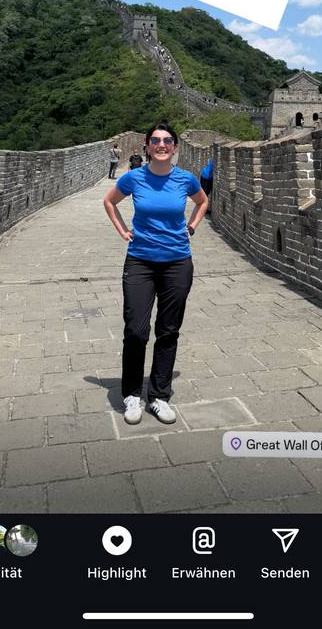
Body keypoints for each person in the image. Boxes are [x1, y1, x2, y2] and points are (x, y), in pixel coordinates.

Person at [103, 122, 208, 425]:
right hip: (140, 262)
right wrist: (123, 230)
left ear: (175, 147)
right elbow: (109, 201)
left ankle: (159, 395)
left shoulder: (185, 179)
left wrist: (191, 227)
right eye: (156, 140)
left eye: (167, 141)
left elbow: (202, 202)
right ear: (147, 146)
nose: (161, 145)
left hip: (177, 262)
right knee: (136, 330)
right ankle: (132, 394)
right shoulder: (134, 177)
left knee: (168, 330)